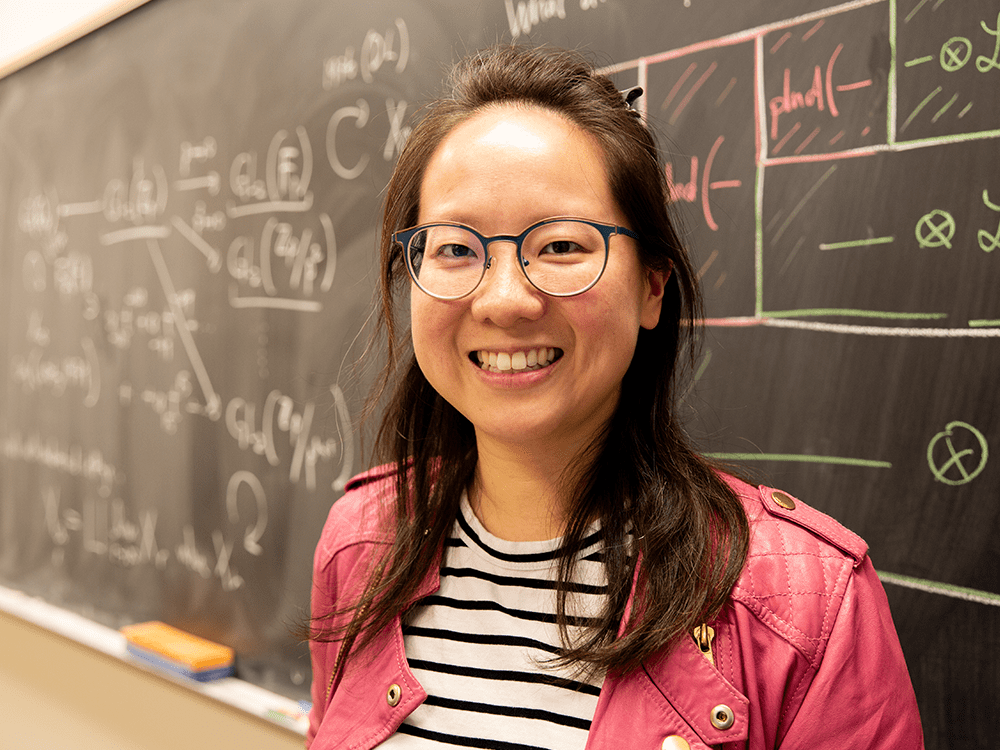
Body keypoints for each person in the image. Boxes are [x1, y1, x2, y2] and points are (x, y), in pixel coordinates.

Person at [306, 44, 923, 749]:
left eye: (561, 246)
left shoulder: (808, 608)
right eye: (454, 248)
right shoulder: (360, 546)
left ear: (652, 286)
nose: (504, 300)